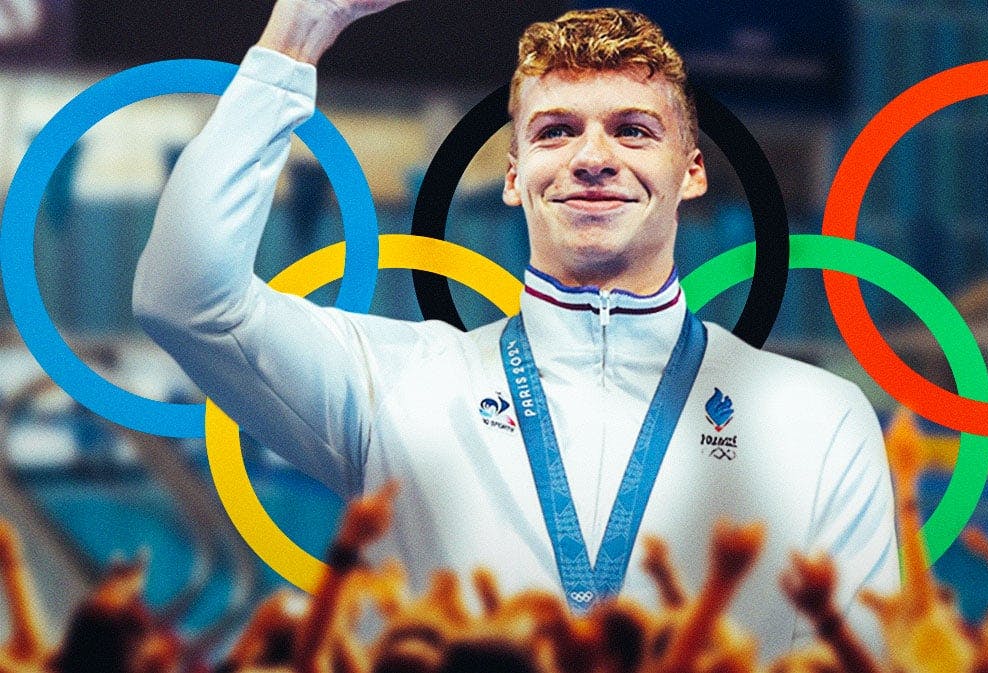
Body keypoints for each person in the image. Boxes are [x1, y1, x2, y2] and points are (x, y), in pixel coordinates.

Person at [132, 0, 898, 657]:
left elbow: (866, 659)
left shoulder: (817, 416)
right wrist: (300, 28)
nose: (593, 157)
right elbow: (185, 294)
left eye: (633, 131)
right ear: (512, 174)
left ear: (690, 171)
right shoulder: (394, 384)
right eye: (557, 131)